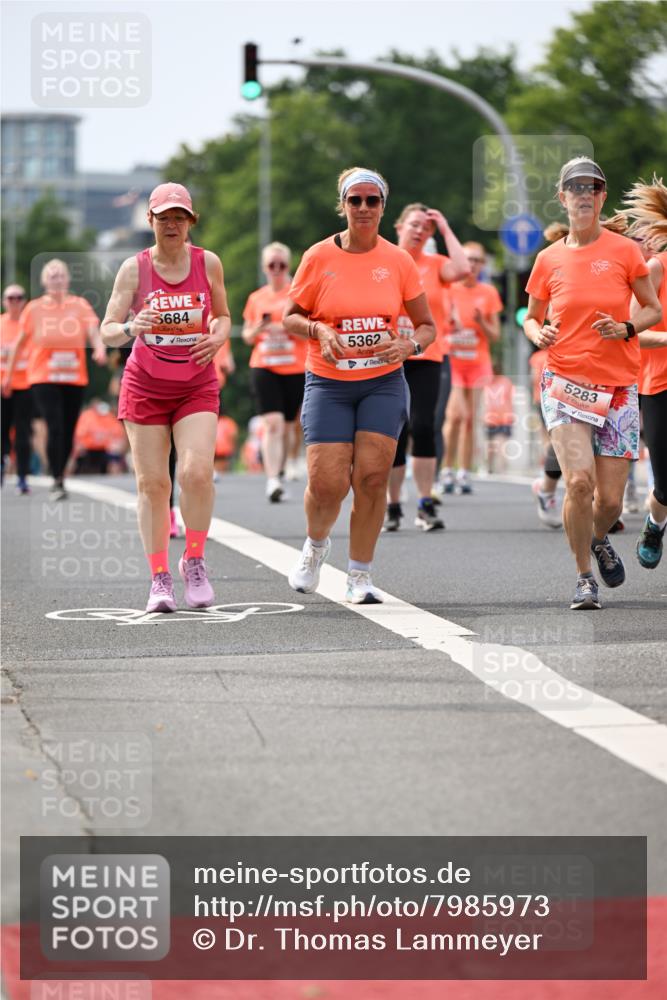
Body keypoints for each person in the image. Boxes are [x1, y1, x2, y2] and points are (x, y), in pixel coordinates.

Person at [283, 166, 435, 602]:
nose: (364, 208)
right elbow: (289, 316)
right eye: (356, 200)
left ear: (383, 207)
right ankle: (315, 547)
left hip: (382, 383)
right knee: (328, 482)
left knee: (372, 478)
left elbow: (427, 326)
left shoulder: (398, 260)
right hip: (329, 383)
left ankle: (360, 574)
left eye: (372, 200)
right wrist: (319, 331)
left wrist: (409, 346)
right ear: (344, 205)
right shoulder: (318, 257)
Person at [523, 157, 661, 610]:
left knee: (610, 503)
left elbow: (651, 309)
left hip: (618, 386)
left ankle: (598, 538)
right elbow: (531, 317)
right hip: (563, 381)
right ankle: (584, 577)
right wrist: (535, 333)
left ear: (602, 197)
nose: (584, 193)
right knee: (578, 483)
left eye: (593, 187)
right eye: (575, 187)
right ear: (562, 198)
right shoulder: (548, 259)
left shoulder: (625, 251)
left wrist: (625, 328)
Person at [101, 182, 231, 613]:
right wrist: (131, 328)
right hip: (145, 385)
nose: (171, 224)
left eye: (179, 217)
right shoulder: (134, 269)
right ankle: (159, 579)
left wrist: (217, 338)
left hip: (195, 383)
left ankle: (194, 560)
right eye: (163, 217)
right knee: (153, 484)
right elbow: (106, 328)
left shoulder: (207, 263)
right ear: (150, 221)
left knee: (196, 474)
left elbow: (224, 316)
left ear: (191, 221)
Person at [385, 203, 469, 532]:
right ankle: (392, 505)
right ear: (399, 226)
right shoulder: (385, 260)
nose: (420, 231)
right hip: (389, 355)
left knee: (423, 426)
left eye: (426, 228)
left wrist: (445, 227)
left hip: (427, 356)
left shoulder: (435, 264)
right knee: (394, 431)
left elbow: (462, 269)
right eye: (414, 225)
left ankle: (424, 502)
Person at [4, 260, 107, 500]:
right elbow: (19, 344)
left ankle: (59, 473)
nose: (56, 279)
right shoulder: (34, 309)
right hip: (43, 376)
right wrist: (8, 377)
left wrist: (99, 349)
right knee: (55, 425)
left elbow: (93, 330)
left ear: (67, 280)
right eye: (51, 275)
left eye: (60, 275)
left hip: (74, 376)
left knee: (69, 428)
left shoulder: (79, 305)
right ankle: (57, 478)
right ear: (44, 282)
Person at [622, 176, 667, 567]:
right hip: (660, 384)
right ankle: (655, 521)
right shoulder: (656, 267)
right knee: (666, 485)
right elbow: (633, 332)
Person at [242, 242, 305, 502]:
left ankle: (288, 463)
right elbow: (246, 336)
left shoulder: (298, 295)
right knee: (273, 424)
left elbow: (309, 329)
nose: (277, 270)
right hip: (264, 366)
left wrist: (286, 329)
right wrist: (259, 329)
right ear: (264, 268)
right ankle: (272, 480)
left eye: (282, 265)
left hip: (294, 367)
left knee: (290, 425)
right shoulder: (256, 298)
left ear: (289, 266)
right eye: (272, 265)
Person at [441, 242, 503, 494]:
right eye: (468, 259)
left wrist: (480, 322)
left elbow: (495, 335)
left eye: (477, 260)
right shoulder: (448, 289)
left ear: (482, 265)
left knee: (469, 420)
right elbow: (435, 325)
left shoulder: (488, 292)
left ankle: (464, 472)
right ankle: (446, 470)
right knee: (455, 416)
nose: (473, 264)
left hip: (478, 364)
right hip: (453, 363)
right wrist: (450, 326)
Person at [1, 284, 32, 493]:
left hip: (26, 385)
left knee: (23, 432)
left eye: (19, 297)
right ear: (4, 301)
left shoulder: (29, 325)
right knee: (2, 430)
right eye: (10, 298)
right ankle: (2, 465)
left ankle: (22, 476)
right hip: (3, 385)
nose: (15, 301)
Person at [483, 361, 514, 474]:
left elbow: (510, 400)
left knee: (499, 445)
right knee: (492, 446)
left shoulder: (503, 382)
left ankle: (499, 468)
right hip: (492, 418)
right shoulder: (488, 382)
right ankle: (492, 468)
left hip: (501, 418)